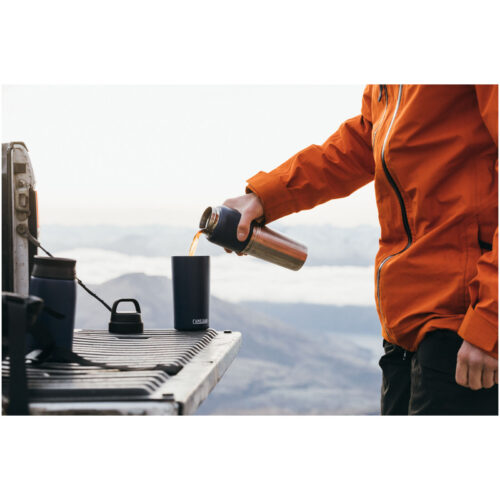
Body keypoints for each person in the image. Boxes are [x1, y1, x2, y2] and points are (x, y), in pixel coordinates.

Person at [223, 85, 498, 415]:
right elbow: (360, 142)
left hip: (461, 321)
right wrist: (264, 198)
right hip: (404, 324)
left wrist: (489, 323)